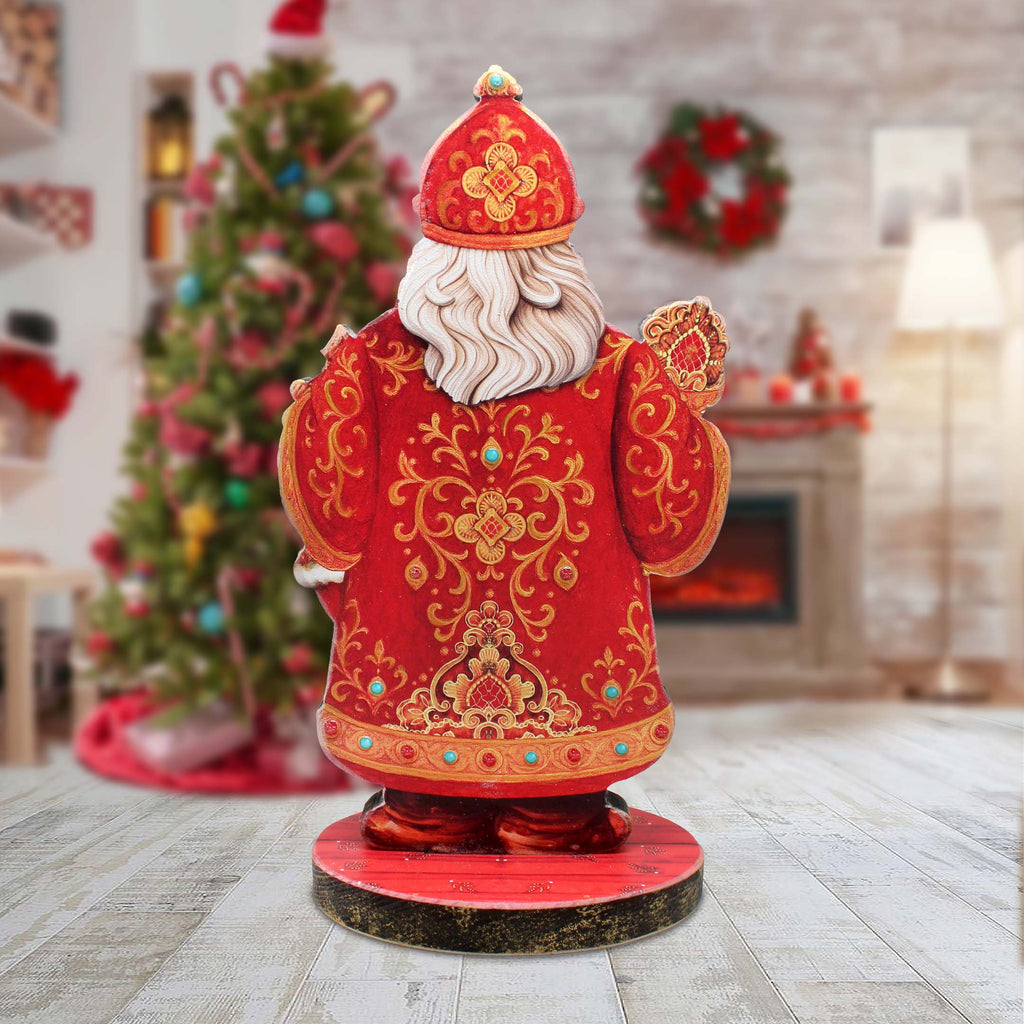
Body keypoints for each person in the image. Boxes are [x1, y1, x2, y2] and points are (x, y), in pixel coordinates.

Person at [279, 66, 730, 853]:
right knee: (565, 805)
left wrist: (309, 406)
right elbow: (664, 517)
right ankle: (556, 814)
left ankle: (425, 809)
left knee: (419, 786)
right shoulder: (619, 365)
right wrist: (684, 412)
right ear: (555, 263)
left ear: (437, 260)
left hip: (410, 660)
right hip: (580, 670)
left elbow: (335, 503)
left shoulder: (372, 361)